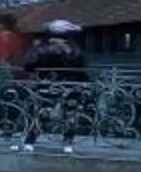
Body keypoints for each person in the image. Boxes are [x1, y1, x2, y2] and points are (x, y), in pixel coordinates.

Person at [19, 19, 90, 151]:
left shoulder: (43, 47)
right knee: (67, 113)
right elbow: (82, 65)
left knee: (46, 111)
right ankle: (67, 143)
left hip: (52, 83)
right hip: (69, 84)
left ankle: (31, 140)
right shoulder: (73, 47)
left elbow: (29, 65)